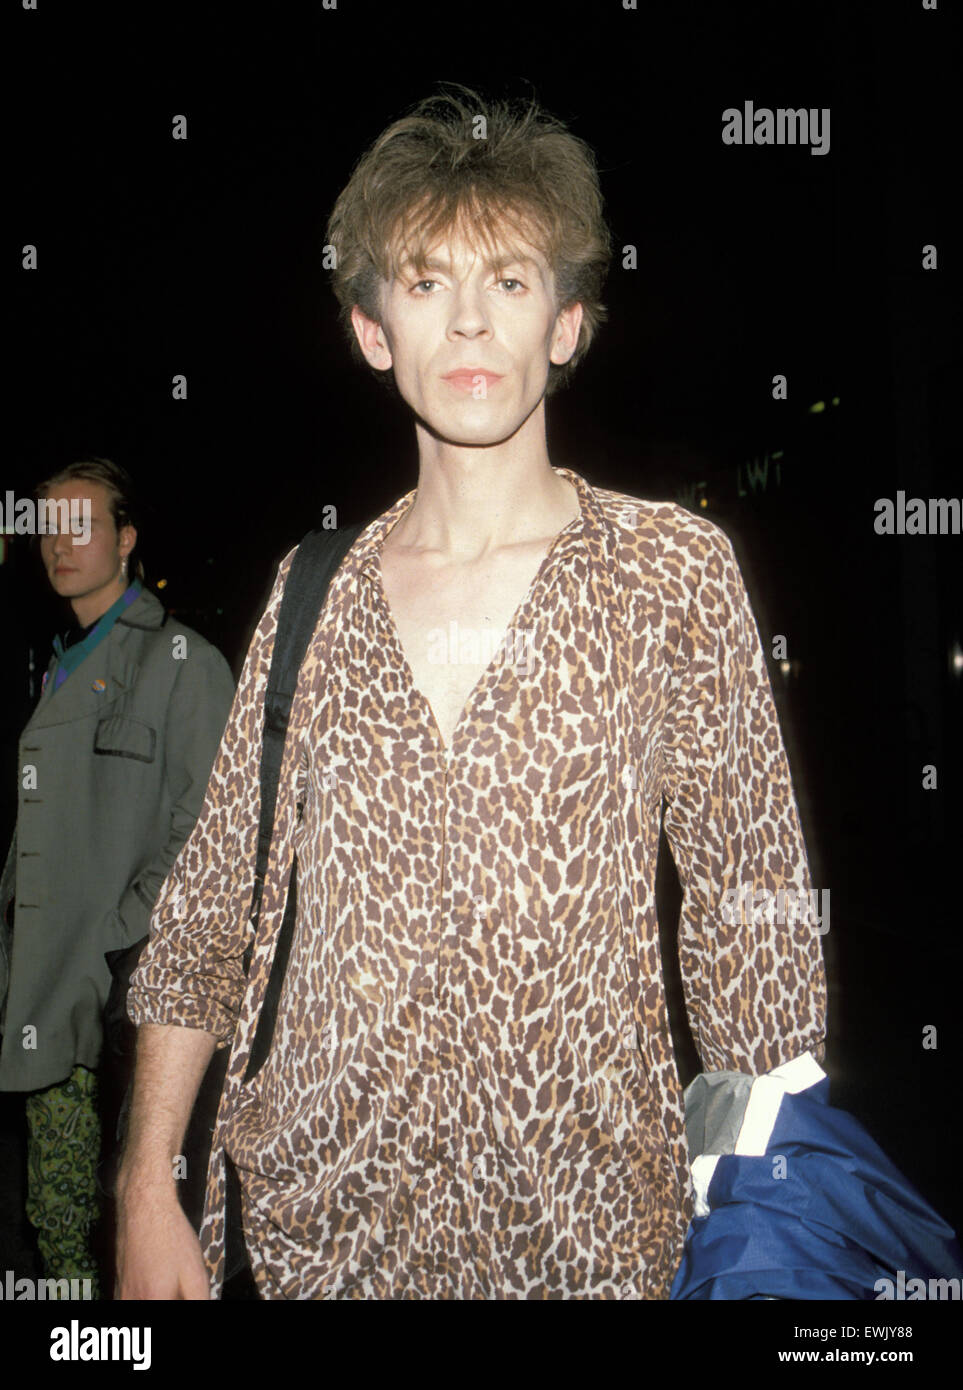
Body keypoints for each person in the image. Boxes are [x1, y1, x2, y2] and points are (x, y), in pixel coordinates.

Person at [117, 86, 827, 1300]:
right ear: (372, 330)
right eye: (427, 280)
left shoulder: (669, 577)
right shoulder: (310, 595)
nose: (469, 323)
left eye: (509, 281)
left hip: (592, 1238)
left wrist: (773, 1222)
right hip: (323, 1237)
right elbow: (206, 920)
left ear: (567, 322)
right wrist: (143, 1191)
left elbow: (750, 918)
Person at [0, 458, 235, 1296]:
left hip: (132, 1003)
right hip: (45, 997)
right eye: (44, 530)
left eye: (81, 525)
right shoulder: (55, 658)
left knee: (145, 1225)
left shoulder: (184, 663)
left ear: (127, 539)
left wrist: (114, 939)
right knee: (59, 1224)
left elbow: (208, 839)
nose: (58, 546)